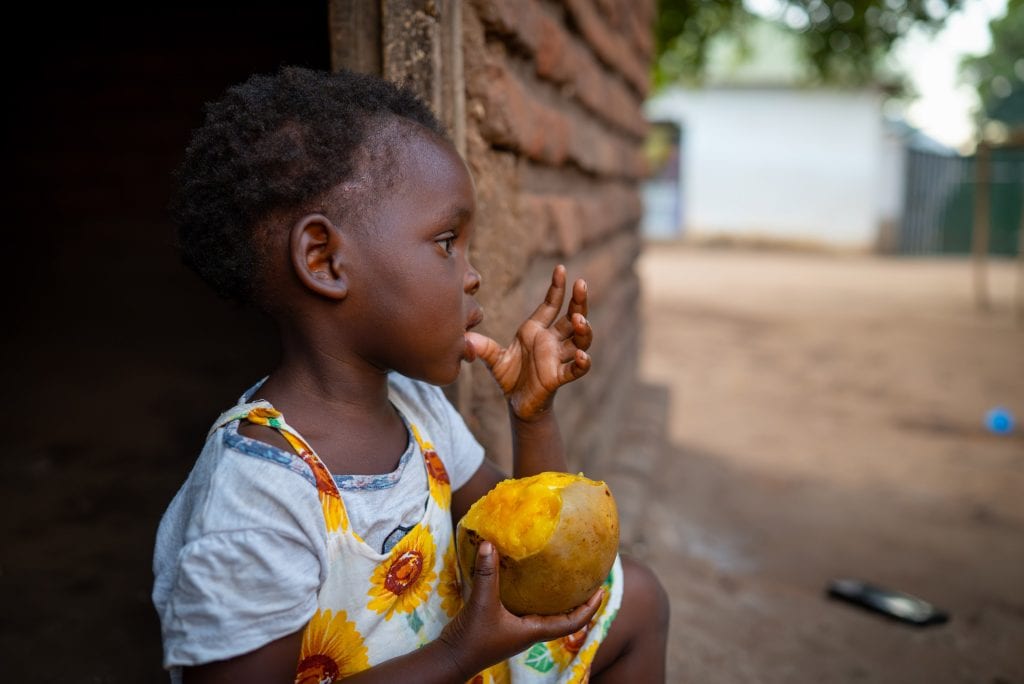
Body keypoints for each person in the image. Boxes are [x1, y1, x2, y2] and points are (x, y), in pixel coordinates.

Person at [152, 66, 668, 683]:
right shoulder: (255, 497)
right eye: (447, 241)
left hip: (463, 664)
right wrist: (457, 654)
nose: (472, 275)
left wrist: (531, 418)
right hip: (454, 664)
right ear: (324, 260)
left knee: (637, 598)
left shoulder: (417, 408)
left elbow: (528, 556)